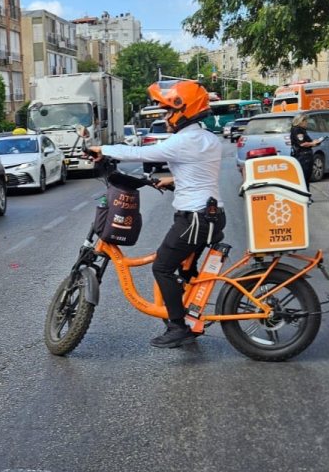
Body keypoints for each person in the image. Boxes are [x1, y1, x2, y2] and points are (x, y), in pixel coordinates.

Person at [86, 79, 225, 349]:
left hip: (194, 219)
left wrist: (102, 149)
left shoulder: (185, 141)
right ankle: (189, 317)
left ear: (182, 109)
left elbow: (142, 152)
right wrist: (171, 181)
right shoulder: (207, 139)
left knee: (162, 266)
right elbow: (199, 172)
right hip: (210, 216)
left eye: (168, 111)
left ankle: (178, 326)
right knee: (184, 271)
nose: (166, 117)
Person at [289, 113, 321, 188]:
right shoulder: (298, 130)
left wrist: (314, 142)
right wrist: (313, 143)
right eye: (306, 121)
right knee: (304, 177)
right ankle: (305, 195)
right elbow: (302, 144)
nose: (307, 123)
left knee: (306, 177)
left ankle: (306, 195)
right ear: (301, 121)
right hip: (303, 156)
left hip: (304, 155)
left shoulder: (301, 130)